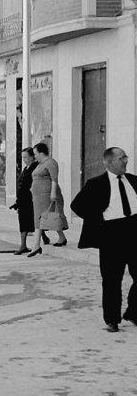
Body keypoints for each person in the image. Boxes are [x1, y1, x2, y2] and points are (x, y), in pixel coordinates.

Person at [71, 146, 137, 332]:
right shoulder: (96, 184)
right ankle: (112, 319)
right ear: (108, 162)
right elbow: (77, 205)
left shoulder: (133, 180)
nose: (125, 160)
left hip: (134, 230)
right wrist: (98, 221)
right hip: (112, 235)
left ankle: (133, 312)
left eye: (126, 157)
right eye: (121, 158)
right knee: (111, 280)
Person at [28, 142, 68, 257]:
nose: (34, 156)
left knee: (43, 219)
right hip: (38, 196)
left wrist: (53, 193)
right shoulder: (40, 164)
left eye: (35, 154)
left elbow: (54, 179)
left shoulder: (51, 163)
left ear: (41, 153)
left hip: (47, 195)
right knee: (46, 218)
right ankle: (62, 238)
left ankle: (36, 246)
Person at [10, 148, 41, 255]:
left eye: (26, 157)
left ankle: (36, 242)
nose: (24, 159)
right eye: (23, 157)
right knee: (24, 222)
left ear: (32, 156)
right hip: (22, 200)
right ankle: (23, 245)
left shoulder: (35, 168)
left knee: (32, 221)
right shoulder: (26, 168)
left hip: (30, 199)